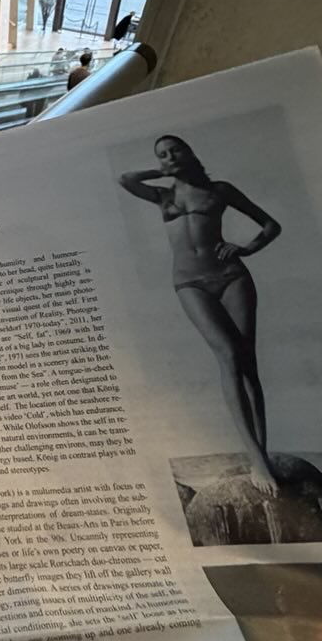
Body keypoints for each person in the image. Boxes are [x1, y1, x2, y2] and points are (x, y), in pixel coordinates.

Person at [119, 135, 282, 492]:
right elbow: (126, 179)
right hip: (190, 283)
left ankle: (261, 456)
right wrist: (162, 171)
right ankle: (256, 458)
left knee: (248, 363)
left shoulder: (220, 190)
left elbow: (271, 225)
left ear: (190, 152)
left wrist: (246, 248)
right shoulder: (163, 196)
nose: (169, 157)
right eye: (162, 154)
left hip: (231, 276)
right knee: (227, 355)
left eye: (175, 150)